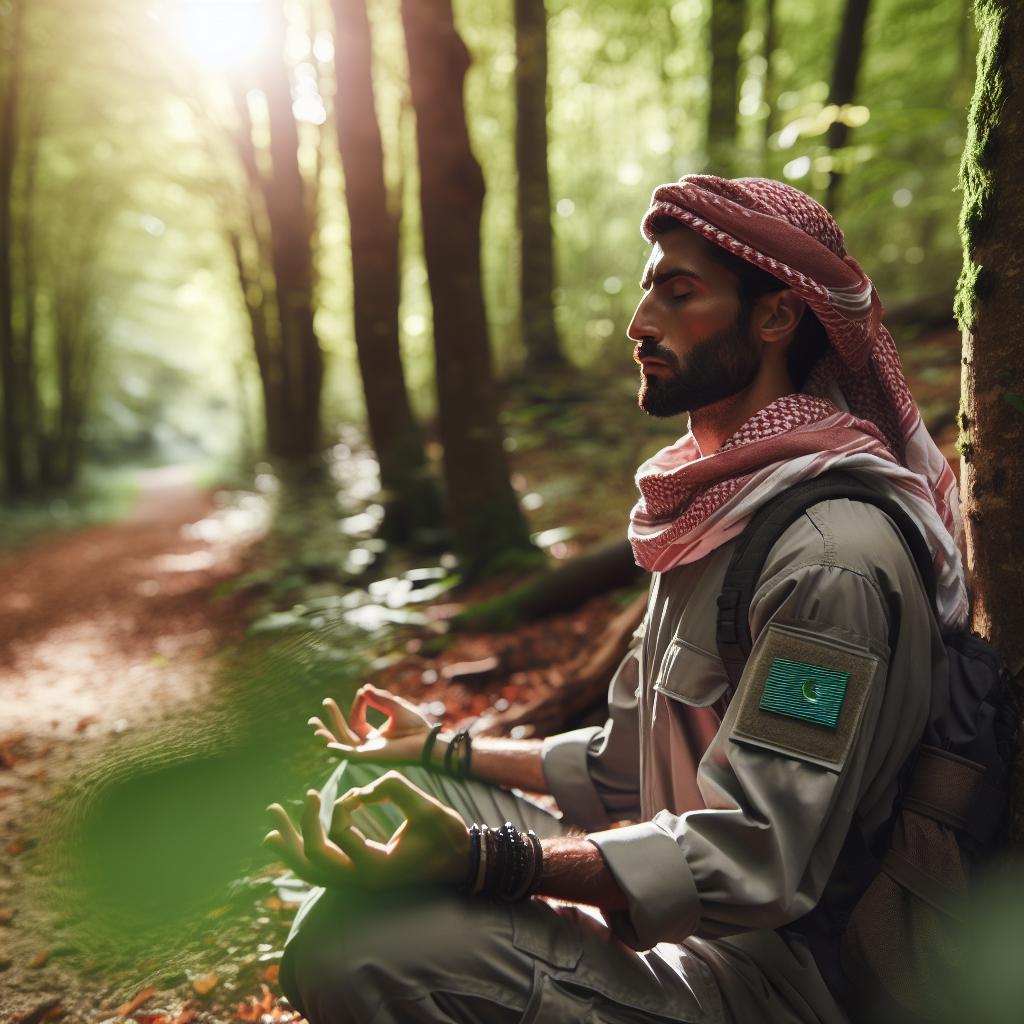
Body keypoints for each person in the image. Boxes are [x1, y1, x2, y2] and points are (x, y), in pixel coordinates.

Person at [264, 176, 968, 1023]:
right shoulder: (722, 513)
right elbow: (622, 765)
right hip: (684, 919)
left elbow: (761, 856)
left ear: (777, 317)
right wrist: (441, 749)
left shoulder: (830, 564)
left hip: (778, 977)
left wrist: (497, 861)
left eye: (679, 293)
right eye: (647, 293)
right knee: (370, 789)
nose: (639, 325)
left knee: (357, 945)